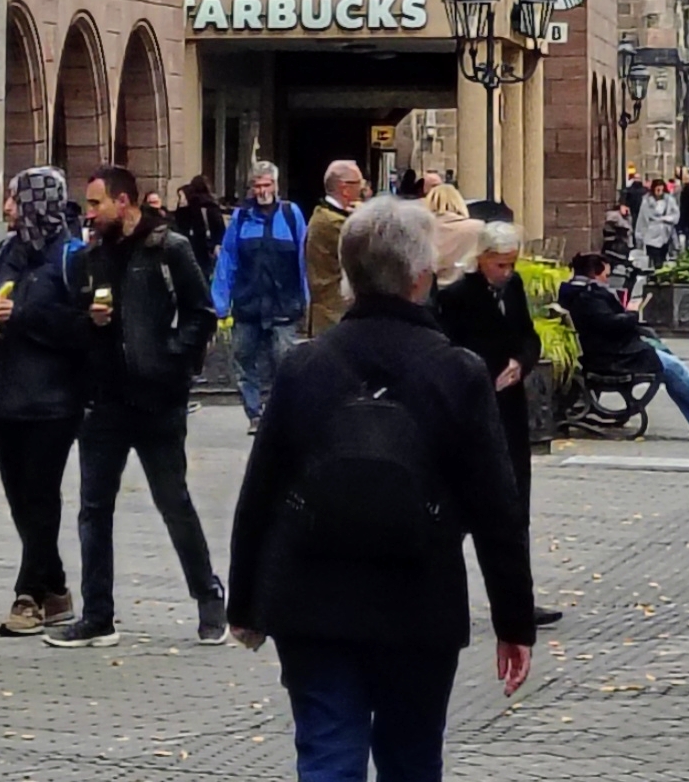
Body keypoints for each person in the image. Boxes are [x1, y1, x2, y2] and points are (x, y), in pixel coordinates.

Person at [222, 192, 539, 782]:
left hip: (313, 601)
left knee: (327, 755)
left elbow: (260, 490)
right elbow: (498, 509)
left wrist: (244, 605)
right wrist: (513, 622)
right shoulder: (457, 371)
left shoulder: (304, 367)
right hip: (420, 603)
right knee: (411, 758)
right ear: (422, 276)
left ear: (347, 277)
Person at [57, 162, 225, 647]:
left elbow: (202, 314)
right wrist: (88, 321)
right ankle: (98, 616)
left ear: (123, 202)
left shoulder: (168, 248)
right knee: (93, 509)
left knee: (173, 501)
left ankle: (208, 596)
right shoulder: (91, 258)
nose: (89, 214)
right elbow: (74, 322)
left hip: (157, 400)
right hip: (105, 401)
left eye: (96, 203)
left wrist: (171, 359)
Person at [0, 168, 89, 636]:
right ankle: (55, 587)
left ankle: (29, 595)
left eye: (15, 199)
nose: (7, 208)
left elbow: (84, 327)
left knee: (40, 494)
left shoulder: (73, 258)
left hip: (54, 400)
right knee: (19, 496)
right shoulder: (4, 253)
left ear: (38, 204)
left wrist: (22, 315)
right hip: (5, 396)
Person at [557, 253, 689, 440]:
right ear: (594, 274)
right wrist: (632, 313)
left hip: (612, 351)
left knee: (670, 368)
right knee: (672, 367)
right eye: (606, 275)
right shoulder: (587, 296)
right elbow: (609, 324)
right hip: (614, 357)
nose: (607, 280)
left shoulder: (582, 293)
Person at [435, 221, 549, 502]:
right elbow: (450, 350)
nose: (506, 272)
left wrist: (520, 362)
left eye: (511, 264)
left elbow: (528, 335)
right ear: (482, 258)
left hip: (510, 398)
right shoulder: (456, 296)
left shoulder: (513, 286)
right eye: (500, 265)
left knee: (515, 482)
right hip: (478, 400)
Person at [215, 163, 313, 425]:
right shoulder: (241, 218)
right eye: (257, 185)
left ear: (276, 185)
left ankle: (279, 414)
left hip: (284, 307)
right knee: (244, 360)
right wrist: (221, 304)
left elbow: (304, 261)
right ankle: (255, 414)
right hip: (248, 306)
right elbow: (228, 261)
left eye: (267, 184)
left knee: (285, 363)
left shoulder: (291, 215)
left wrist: (307, 301)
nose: (262, 190)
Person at [303, 161, 366, 341]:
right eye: (359, 183)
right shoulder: (332, 223)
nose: (363, 189)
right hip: (333, 315)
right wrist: (365, 215)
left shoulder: (326, 215)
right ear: (345, 188)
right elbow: (371, 251)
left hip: (334, 313)